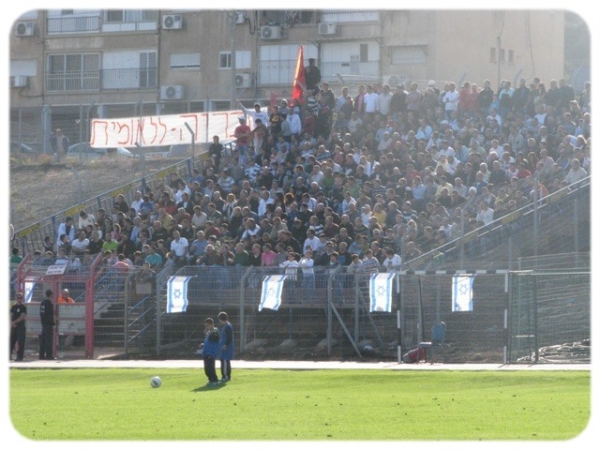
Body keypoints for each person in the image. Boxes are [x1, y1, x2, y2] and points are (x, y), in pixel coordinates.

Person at [198, 317, 220, 387]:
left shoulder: (215, 331)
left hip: (211, 352)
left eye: (207, 325)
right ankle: (210, 380)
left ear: (212, 324)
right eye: (205, 326)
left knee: (210, 368)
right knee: (207, 369)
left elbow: (214, 338)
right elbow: (209, 342)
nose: (206, 327)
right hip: (206, 352)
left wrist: (207, 334)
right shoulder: (209, 332)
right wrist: (203, 344)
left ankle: (214, 381)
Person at [10, 292, 27, 362]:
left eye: (20, 298)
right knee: (11, 341)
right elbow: (11, 315)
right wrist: (12, 323)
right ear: (16, 298)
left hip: (21, 327)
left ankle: (19, 356)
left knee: (20, 342)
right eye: (18, 298)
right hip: (14, 327)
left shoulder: (23, 307)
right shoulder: (13, 307)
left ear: (22, 299)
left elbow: (22, 317)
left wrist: (14, 322)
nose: (19, 299)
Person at [39, 289, 55, 360]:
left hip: (43, 324)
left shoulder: (42, 302)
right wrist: (53, 323)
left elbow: (42, 314)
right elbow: (49, 315)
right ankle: (49, 355)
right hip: (48, 324)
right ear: (51, 295)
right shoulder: (49, 303)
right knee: (48, 341)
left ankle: (41, 355)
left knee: (43, 341)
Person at [218, 311, 234, 382]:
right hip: (224, 348)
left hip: (226, 348)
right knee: (224, 361)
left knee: (225, 361)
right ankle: (225, 376)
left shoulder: (228, 326)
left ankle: (225, 376)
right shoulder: (225, 326)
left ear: (221, 319)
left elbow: (229, 337)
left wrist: (226, 344)